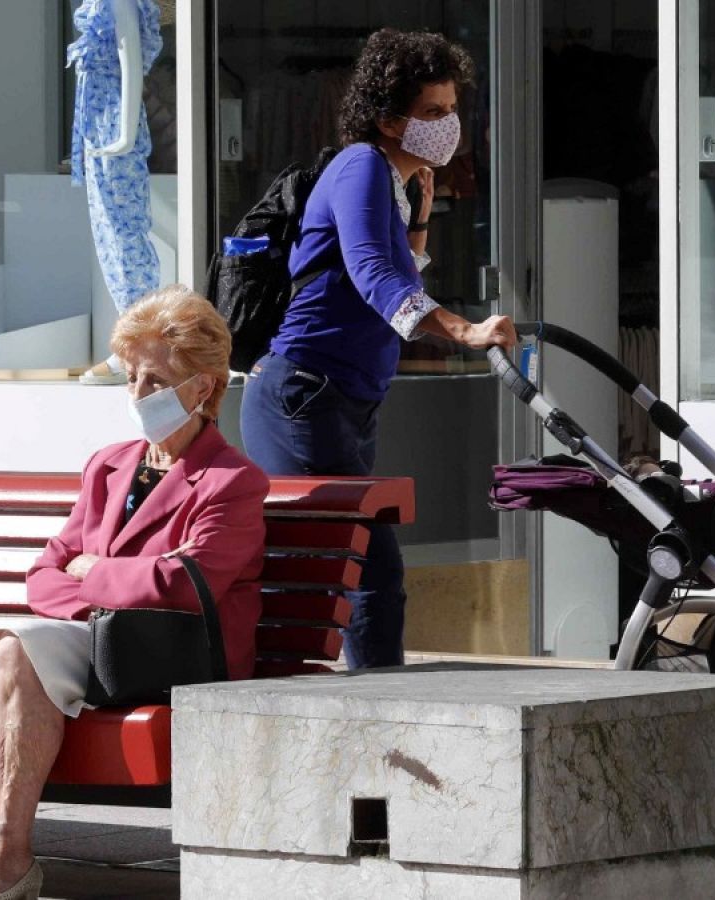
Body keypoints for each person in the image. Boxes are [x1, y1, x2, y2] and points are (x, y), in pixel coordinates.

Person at [0, 286, 268, 900]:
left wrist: (94, 572)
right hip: (101, 641)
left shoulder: (232, 481)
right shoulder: (109, 465)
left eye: (155, 380)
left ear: (203, 389)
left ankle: (9, 852)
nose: (137, 393)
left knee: (15, 649)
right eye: (131, 377)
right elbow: (44, 575)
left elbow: (184, 585)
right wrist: (109, 588)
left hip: (173, 654)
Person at [240, 28, 516, 670]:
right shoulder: (361, 165)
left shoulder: (390, 179)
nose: (448, 125)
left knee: (347, 570)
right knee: (364, 570)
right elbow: (373, 276)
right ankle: (365, 706)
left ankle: (346, 699)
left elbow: (383, 277)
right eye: (432, 112)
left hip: (341, 400)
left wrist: (416, 220)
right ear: (389, 119)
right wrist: (464, 331)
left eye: (452, 110)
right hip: (305, 396)